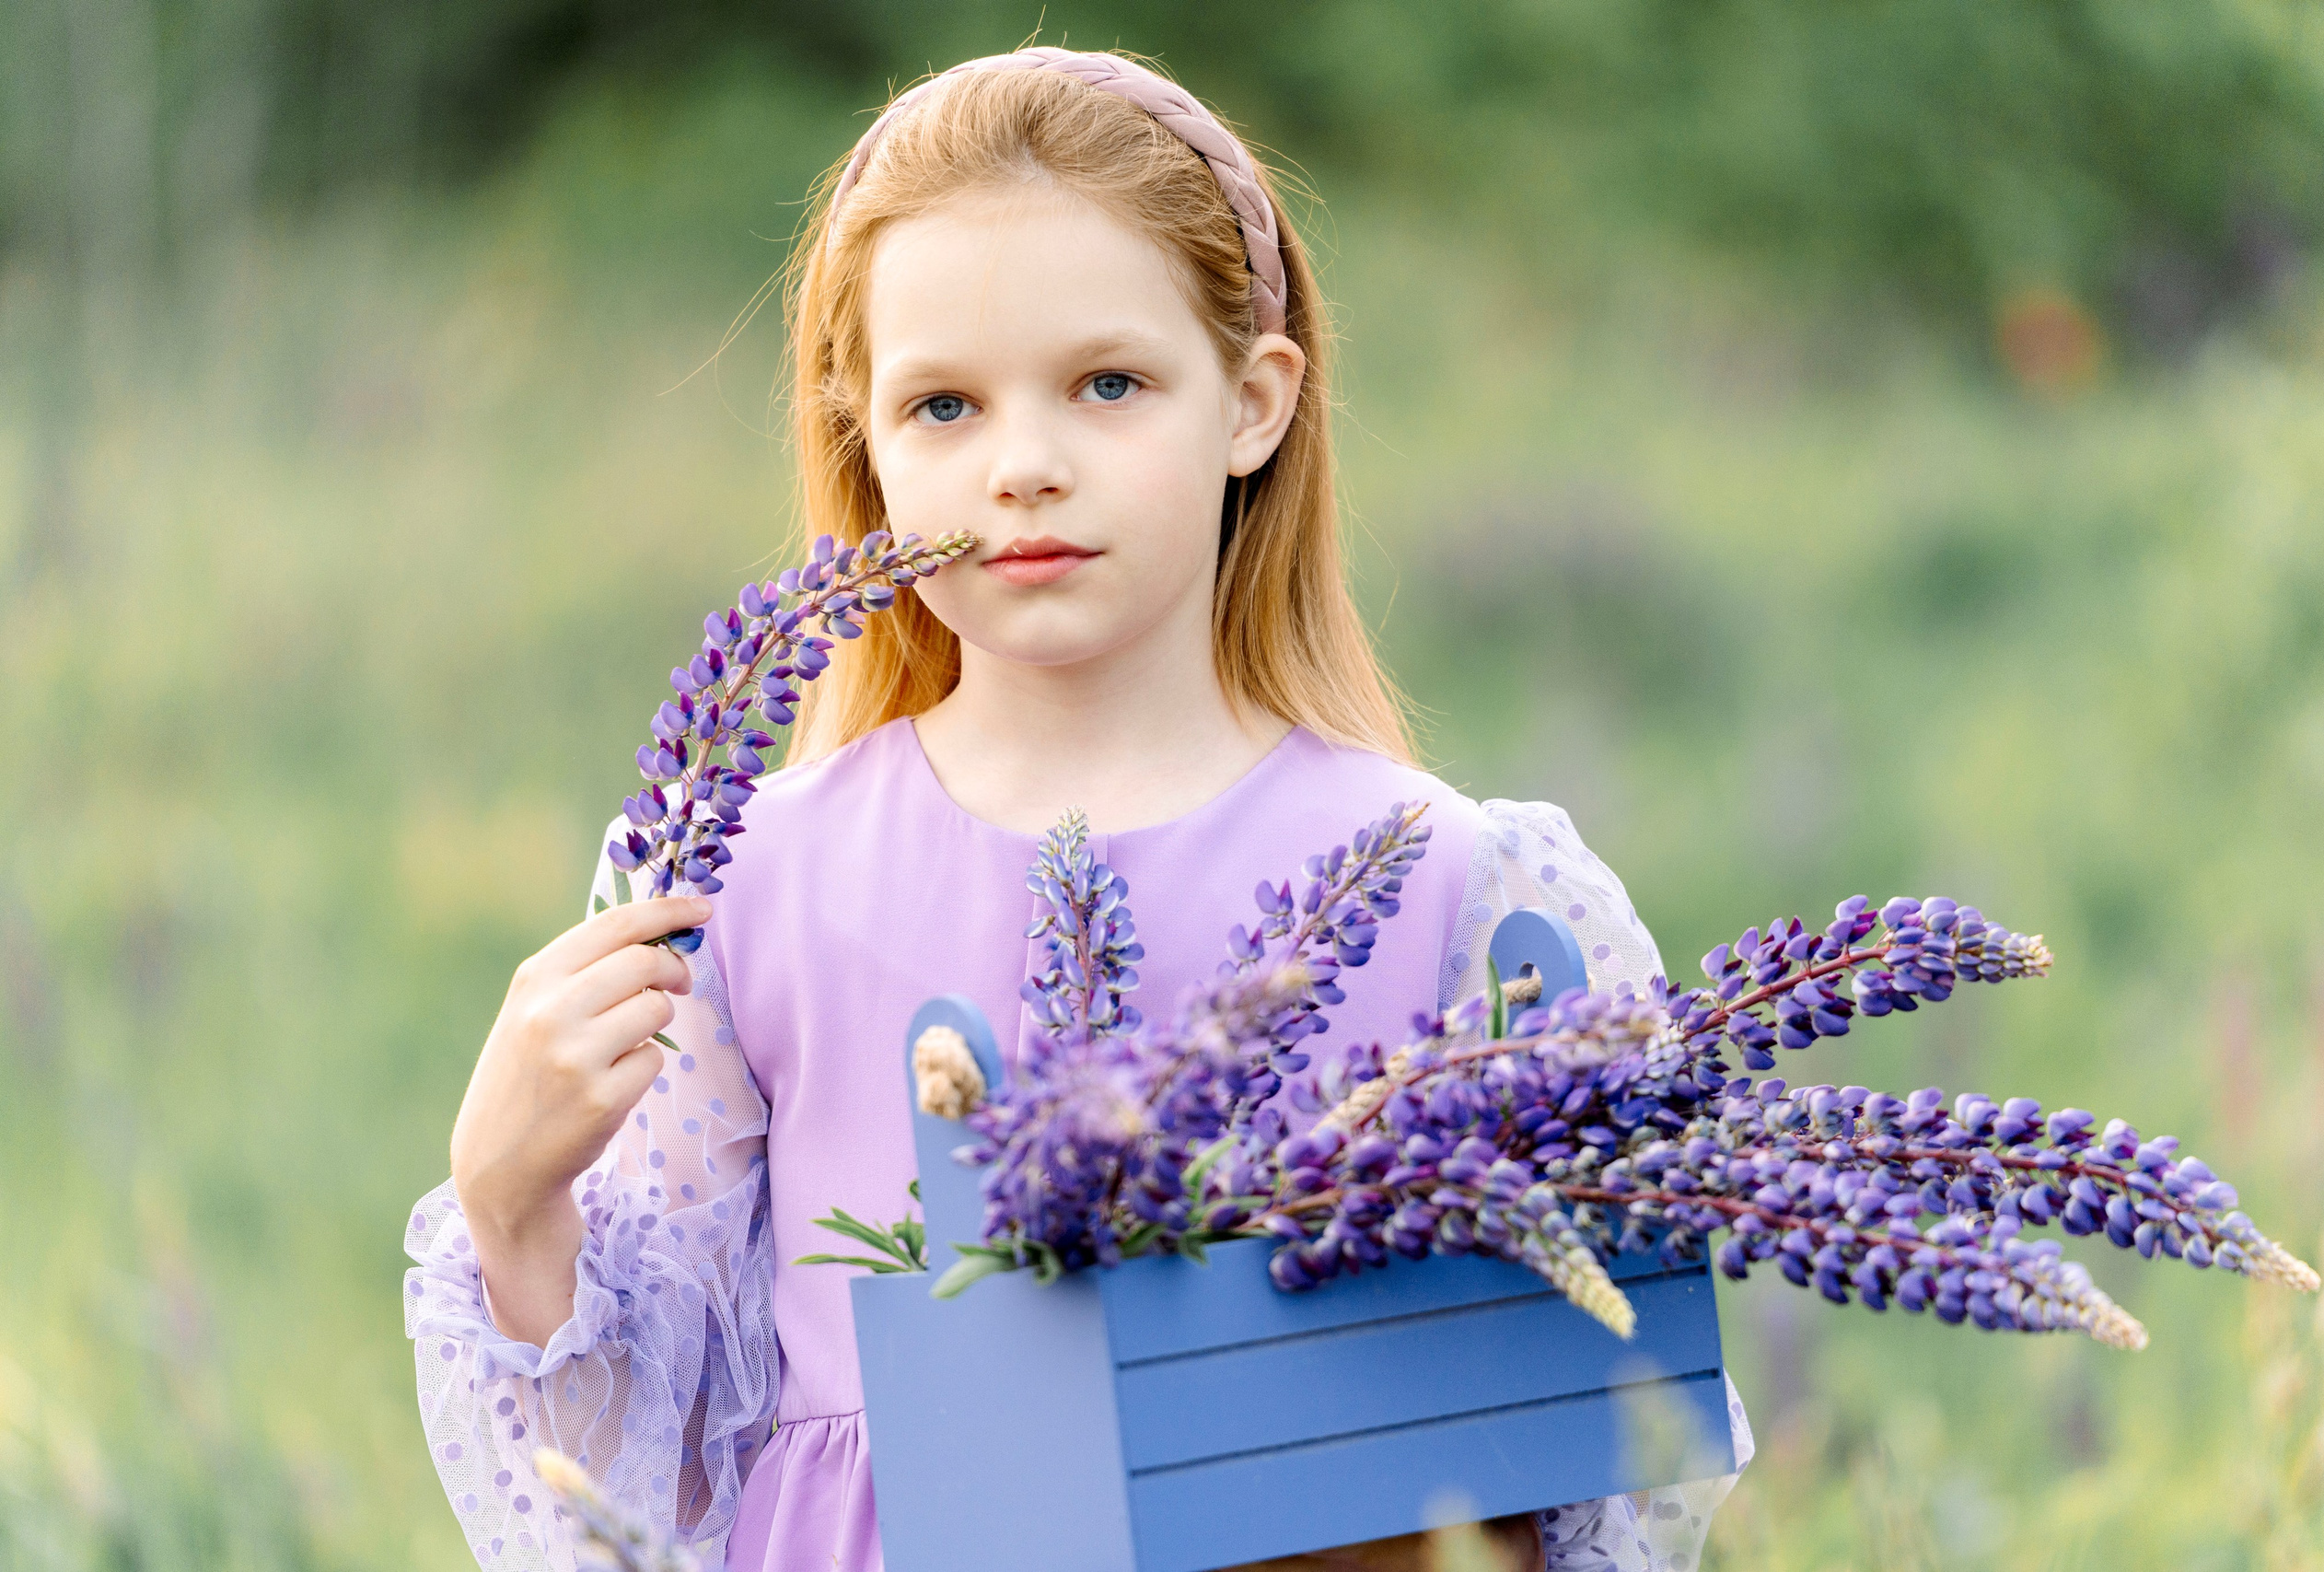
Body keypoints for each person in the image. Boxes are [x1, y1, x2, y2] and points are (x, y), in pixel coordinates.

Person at [403, 47, 1750, 1572]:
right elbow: (647, 1475)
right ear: (864, 437)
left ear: (1252, 403)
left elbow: (1601, 1465)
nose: (1025, 466)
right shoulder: (747, 883)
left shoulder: (1456, 885)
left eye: (1108, 384)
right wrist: (512, 1204)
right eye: (943, 407)